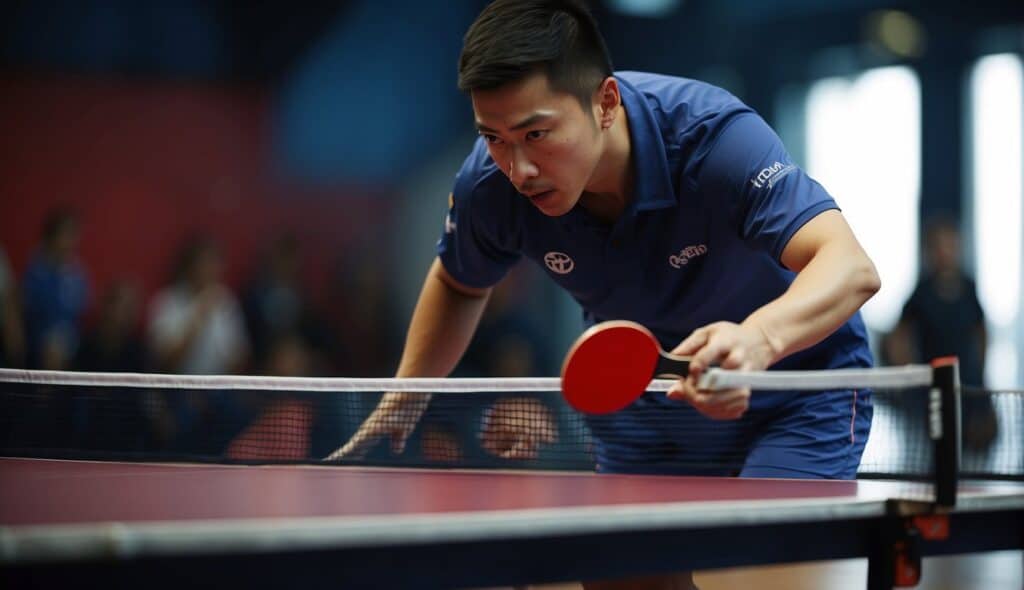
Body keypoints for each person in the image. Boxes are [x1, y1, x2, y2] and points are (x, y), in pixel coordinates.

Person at [331, 1, 880, 587]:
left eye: (535, 134)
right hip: (643, 404)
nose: (518, 168)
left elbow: (850, 267)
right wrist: (408, 395)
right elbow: (459, 281)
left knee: (749, 574)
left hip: (793, 395)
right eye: (493, 137)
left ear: (606, 104)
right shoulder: (491, 188)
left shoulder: (713, 141)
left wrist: (758, 340)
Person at [886, 217, 996, 451]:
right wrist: (907, 369)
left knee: (972, 450)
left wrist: (981, 368)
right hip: (933, 387)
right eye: (940, 245)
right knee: (938, 451)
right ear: (930, 250)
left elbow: (982, 331)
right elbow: (898, 335)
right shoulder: (921, 292)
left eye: (951, 244)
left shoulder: (969, 288)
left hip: (968, 385)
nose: (946, 250)